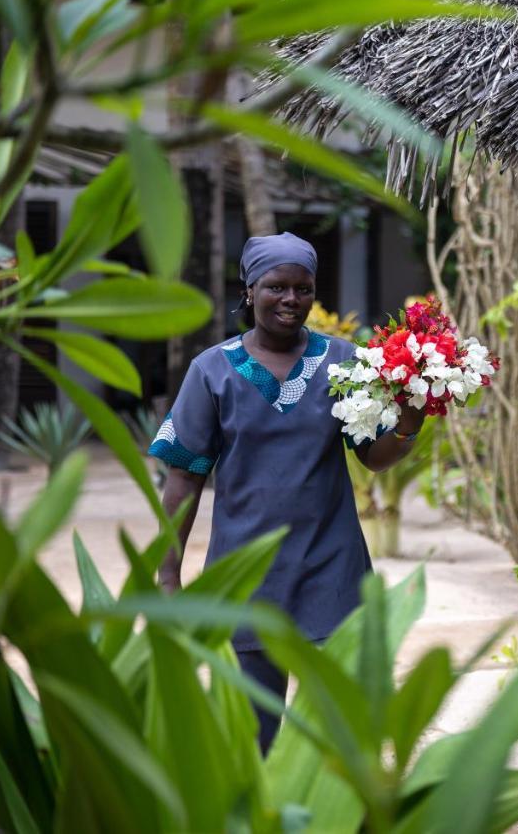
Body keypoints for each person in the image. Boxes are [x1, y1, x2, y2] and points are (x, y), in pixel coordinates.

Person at [150, 232, 422, 754]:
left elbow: (373, 455)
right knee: (255, 734)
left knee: (343, 728)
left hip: (332, 565)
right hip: (248, 572)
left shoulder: (344, 360)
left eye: (303, 288)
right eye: (276, 286)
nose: (291, 300)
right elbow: (183, 477)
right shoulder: (212, 369)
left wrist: (410, 423)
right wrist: (167, 572)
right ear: (250, 290)